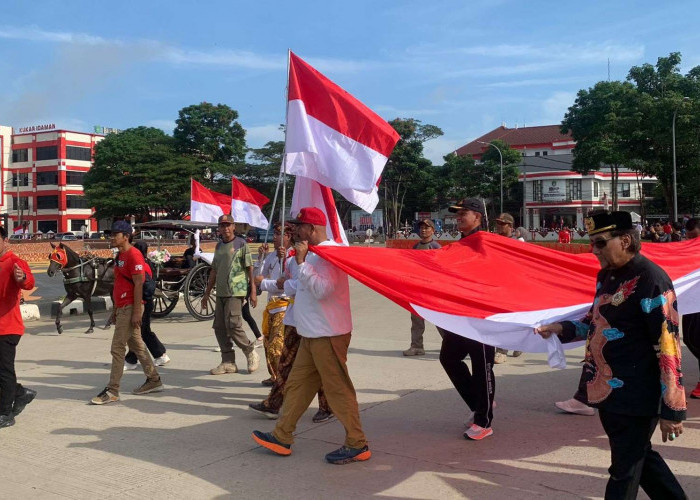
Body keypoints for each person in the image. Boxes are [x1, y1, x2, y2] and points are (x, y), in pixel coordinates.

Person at [536, 211, 687, 499]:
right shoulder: (606, 276)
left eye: (601, 243)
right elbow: (596, 322)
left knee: (624, 471)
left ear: (626, 240)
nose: (594, 250)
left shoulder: (652, 280)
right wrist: (561, 328)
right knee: (640, 458)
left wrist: (673, 407)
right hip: (607, 391)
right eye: (592, 243)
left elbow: (668, 344)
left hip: (637, 393)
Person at [252, 207, 369, 465]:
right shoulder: (313, 255)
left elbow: (322, 290)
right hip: (311, 334)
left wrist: (302, 263)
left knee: (338, 390)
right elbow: (298, 285)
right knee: (296, 386)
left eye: (299, 226)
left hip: (328, 334)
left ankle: (357, 443)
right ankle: (282, 436)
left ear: (312, 229)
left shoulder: (329, 255)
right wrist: (271, 283)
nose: (293, 231)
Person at [249, 222, 333, 423]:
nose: (292, 233)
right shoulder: (293, 256)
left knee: (318, 366)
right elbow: (284, 279)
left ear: (310, 230)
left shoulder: (315, 255)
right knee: (285, 363)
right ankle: (273, 404)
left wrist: (272, 283)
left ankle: (327, 406)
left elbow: (296, 285)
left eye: (295, 229)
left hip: (310, 319)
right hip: (295, 318)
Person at [439, 198, 496, 441]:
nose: (459, 217)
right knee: (449, 358)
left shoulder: (486, 243)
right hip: (462, 316)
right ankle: (480, 405)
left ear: (478, 217)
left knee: (482, 365)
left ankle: (484, 422)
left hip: (482, 316)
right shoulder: (462, 244)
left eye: (464, 213)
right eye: (457, 214)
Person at [91, 221, 164, 405]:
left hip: (131, 306)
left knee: (117, 348)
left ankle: (112, 389)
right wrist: (115, 310)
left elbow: (138, 283)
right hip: (122, 306)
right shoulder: (120, 256)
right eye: (112, 234)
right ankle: (154, 380)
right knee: (138, 345)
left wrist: (137, 311)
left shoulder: (134, 254)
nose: (112, 237)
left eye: (115, 234)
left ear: (126, 236)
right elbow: (119, 284)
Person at [202, 214, 260, 375]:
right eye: (222, 225)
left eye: (228, 225)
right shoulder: (219, 246)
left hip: (236, 290)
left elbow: (249, 268)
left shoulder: (241, 244)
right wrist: (207, 293)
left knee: (233, 324)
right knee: (219, 327)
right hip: (221, 291)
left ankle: (250, 351)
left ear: (234, 226)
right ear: (219, 229)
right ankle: (228, 361)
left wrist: (253, 291)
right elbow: (214, 270)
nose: (225, 228)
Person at [0, 226, 37, 428]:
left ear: (6, 241)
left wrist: (22, 278)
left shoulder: (14, 261)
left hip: (8, 327)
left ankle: (5, 413)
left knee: (5, 371)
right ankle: (21, 393)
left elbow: (28, 282)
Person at [254, 223, 292, 386]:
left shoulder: (292, 256)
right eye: (275, 233)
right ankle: (275, 375)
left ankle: (283, 379)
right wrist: (261, 257)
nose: (274, 237)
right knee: (268, 342)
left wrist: (263, 284)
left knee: (276, 346)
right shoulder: (272, 256)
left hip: (284, 306)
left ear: (288, 237)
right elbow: (258, 277)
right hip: (271, 305)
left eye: (279, 234)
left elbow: (282, 284)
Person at [124, 240, 170, 370]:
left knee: (139, 332)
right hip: (146, 301)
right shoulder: (147, 263)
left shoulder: (141, 265)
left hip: (143, 301)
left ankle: (136, 359)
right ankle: (137, 359)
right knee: (141, 332)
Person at [403, 219, 441, 357]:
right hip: (418, 289)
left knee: (440, 320)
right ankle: (417, 346)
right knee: (416, 319)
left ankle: (451, 345)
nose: (423, 230)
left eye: (427, 228)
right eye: (421, 228)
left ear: (433, 230)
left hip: (432, 290)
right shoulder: (416, 247)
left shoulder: (436, 247)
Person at [492, 213, 524, 364]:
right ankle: (505, 347)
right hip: (497, 284)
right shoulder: (493, 241)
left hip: (513, 285)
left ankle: (504, 349)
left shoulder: (517, 243)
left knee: (512, 318)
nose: (499, 226)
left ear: (510, 226)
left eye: (502, 223)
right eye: (498, 223)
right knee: (500, 319)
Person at [682, 218, 700, 399]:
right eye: (688, 237)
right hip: (691, 302)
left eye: (694, 236)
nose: (690, 240)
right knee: (689, 338)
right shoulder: (687, 251)